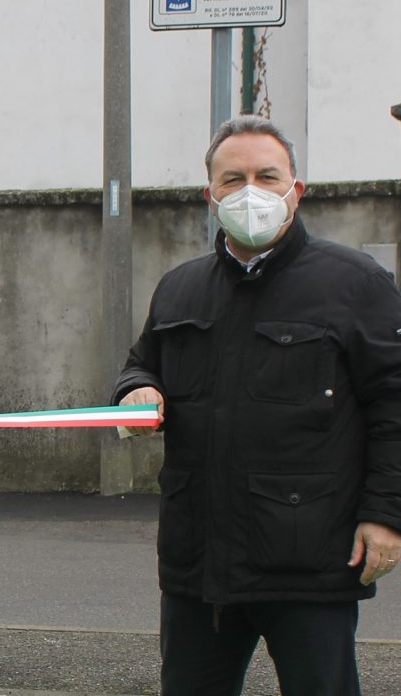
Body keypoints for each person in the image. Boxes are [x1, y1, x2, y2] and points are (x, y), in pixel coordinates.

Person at [114, 115, 401, 695]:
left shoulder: (355, 284)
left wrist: (386, 515)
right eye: (233, 178)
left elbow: (393, 403)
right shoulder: (180, 287)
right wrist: (136, 389)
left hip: (311, 565)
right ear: (210, 195)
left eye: (267, 176)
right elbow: (141, 362)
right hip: (199, 568)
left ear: (296, 190)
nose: (251, 191)